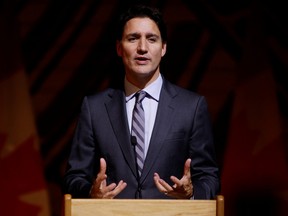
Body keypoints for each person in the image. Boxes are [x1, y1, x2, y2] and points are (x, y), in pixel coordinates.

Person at [63, 4, 220, 200]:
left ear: (163, 48)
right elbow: (74, 177)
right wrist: (91, 192)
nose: (142, 48)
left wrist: (191, 192)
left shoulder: (191, 107)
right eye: (133, 38)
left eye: (151, 39)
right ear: (119, 48)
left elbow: (209, 177)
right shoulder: (94, 108)